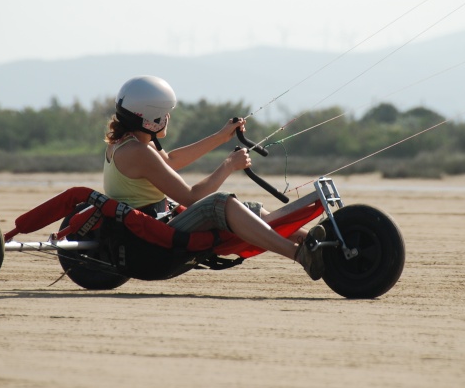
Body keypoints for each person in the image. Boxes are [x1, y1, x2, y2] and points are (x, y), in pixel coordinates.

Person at [102, 75, 325, 280]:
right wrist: (229, 165)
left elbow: (170, 161)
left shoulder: (131, 143)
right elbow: (192, 197)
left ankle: (315, 244)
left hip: (155, 226)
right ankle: (299, 254)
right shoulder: (138, 152)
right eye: (165, 113)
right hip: (148, 243)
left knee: (251, 210)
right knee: (219, 203)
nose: (168, 117)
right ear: (151, 118)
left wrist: (220, 137)